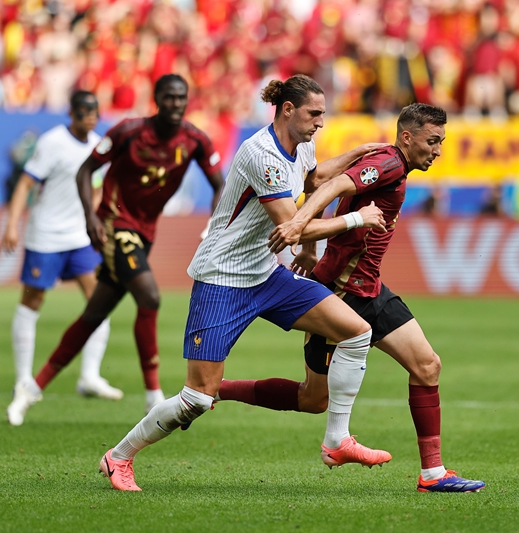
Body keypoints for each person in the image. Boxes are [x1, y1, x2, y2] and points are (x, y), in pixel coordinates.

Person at [99, 74, 391, 492]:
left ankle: (336, 440)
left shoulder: (300, 142)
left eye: (322, 115)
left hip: (266, 274)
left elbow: (310, 179)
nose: (320, 122)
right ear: (287, 110)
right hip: (223, 278)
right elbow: (292, 226)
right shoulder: (261, 154)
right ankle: (119, 456)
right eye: (314, 114)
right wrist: (356, 218)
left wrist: (354, 155)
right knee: (197, 398)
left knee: (355, 332)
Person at [222, 103, 486, 493]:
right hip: (340, 293)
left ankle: (433, 473)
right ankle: (218, 390)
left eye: (441, 142)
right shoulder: (391, 163)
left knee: (427, 366)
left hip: (371, 289)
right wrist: (299, 225)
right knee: (313, 399)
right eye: (432, 141)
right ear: (407, 136)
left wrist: (311, 239)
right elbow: (332, 186)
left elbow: (326, 184)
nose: (437, 150)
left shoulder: (392, 164)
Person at [6, 74, 225, 425]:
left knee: (94, 314)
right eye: (169, 97)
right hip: (114, 224)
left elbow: (219, 184)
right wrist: (91, 217)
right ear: (156, 98)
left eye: (182, 98)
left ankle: (31, 388)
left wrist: (214, 225)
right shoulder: (128, 131)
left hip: (145, 232)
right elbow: (85, 170)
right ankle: (153, 394)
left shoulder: (195, 139)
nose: (176, 104)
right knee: (150, 297)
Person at [2, 91, 122, 427]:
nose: (90, 116)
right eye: (84, 111)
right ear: (70, 113)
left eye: (94, 111)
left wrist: (99, 221)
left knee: (100, 299)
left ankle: (90, 376)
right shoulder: (52, 142)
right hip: (46, 235)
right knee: (32, 302)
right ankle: (24, 381)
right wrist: (12, 224)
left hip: (79, 237)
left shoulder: (99, 145)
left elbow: (97, 186)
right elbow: (26, 183)